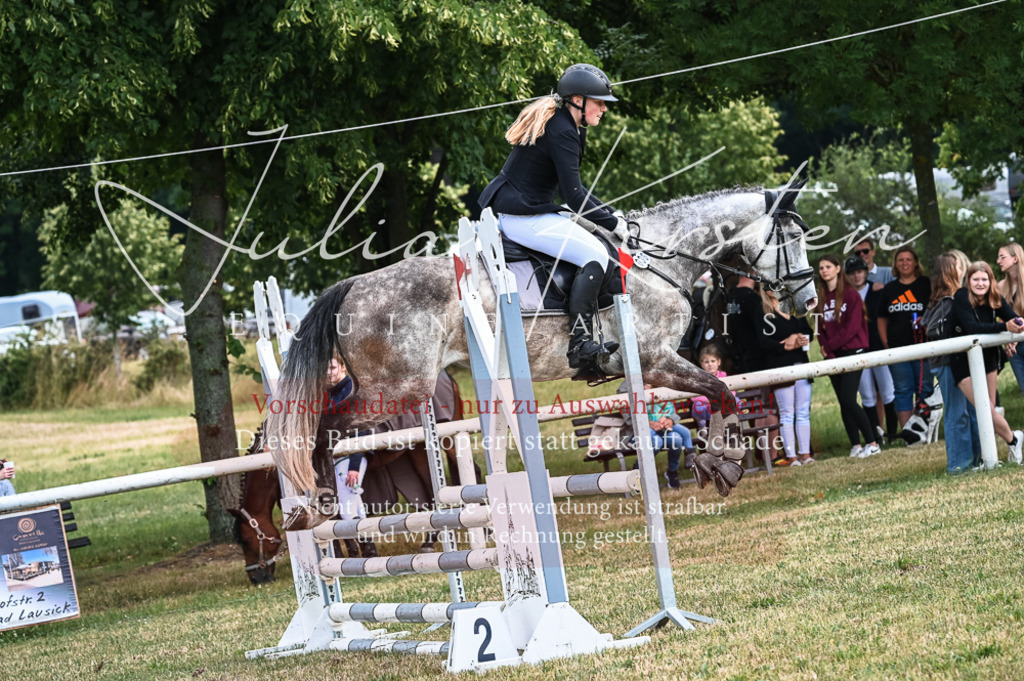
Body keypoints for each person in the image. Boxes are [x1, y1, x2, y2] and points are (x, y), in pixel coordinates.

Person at [478, 63, 623, 371]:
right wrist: (614, 224)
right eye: (599, 102)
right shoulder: (562, 131)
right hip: (521, 216)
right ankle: (580, 345)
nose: (604, 109)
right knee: (595, 255)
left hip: (522, 210)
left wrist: (610, 215)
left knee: (593, 245)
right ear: (578, 100)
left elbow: (578, 191)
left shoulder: (565, 125)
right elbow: (574, 197)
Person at [949, 261, 1024, 464]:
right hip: (961, 360)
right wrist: (1004, 326)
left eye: (984, 279)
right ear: (968, 280)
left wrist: (1016, 329)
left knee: (989, 410)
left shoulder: (995, 297)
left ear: (991, 281)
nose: (980, 283)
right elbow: (972, 327)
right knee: (984, 409)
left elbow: (1014, 319)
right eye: (976, 279)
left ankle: (986, 458)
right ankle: (1014, 439)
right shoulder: (961, 297)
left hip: (989, 357)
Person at [817, 255, 882, 459]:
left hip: (853, 351)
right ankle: (855, 444)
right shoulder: (820, 297)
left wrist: (829, 347)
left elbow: (852, 328)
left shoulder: (851, 295)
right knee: (843, 401)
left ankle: (872, 442)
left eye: (828, 266)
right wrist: (827, 349)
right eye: (820, 268)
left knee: (849, 398)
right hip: (834, 355)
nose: (824, 270)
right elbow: (820, 328)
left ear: (837, 269)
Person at [926, 252, 981, 474]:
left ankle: (976, 459)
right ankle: (959, 465)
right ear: (951, 271)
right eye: (959, 266)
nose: (963, 268)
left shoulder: (946, 300)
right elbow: (934, 332)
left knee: (969, 411)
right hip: (948, 363)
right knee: (957, 412)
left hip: (956, 362)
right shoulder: (947, 302)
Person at [325, 357, 377, 558]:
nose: (329, 372)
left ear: (343, 367)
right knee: (354, 503)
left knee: (347, 506)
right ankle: (368, 550)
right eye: (326, 369)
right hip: (338, 457)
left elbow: (361, 428)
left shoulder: (351, 391)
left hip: (351, 457)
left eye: (332, 367)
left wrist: (354, 465)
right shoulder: (332, 394)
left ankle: (366, 549)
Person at [877, 246, 934, 431]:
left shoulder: (926, 285)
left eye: (908, 259)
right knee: (902, 390)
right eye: (900, 260)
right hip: (897, 348)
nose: (904, 263)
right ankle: (908, 432)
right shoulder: (890, 289)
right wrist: (886, 343)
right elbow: (881, 318)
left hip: (923, 346)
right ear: (895, 264)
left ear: (916, 262)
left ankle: (924, 429)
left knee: (924, 388)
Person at [845, 255, 898, 443]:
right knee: (867, 396)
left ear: (865, 272)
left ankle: (892, 434)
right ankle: (876, 435)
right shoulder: (845, 296)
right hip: (858, 350)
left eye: (859, 272)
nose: (856, 276)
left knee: (888, 391)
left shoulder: (877, 291)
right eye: (852, 273)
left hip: (878, 348)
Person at [759, 289, 814, 466]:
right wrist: (786, 346)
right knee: (787, 413)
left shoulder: (794, 308)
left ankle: (805, 454)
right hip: (780, 368)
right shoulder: (764, 313)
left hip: (802, 364)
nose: (775, 289)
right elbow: (763, 342)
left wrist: (801, 338)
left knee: (803, 412)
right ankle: (791, 456)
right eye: (771, 286)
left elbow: (808, 331)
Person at [644, 385, 696, 489]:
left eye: (648, 383)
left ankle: (679, 466)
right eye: (644, 383)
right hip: (648, 429)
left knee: (677, 439)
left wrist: (669, 420)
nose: (646, 385)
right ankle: (640, 471)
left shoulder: (662, 392)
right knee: (654, 442)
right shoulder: (637, 393)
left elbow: (671, 410)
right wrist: (650, 423)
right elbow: (634, 415)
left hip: (665, 427)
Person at [996, 242, 1024, 395]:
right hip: (1013, 348)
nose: (998, 261)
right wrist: (1007, 339)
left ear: (1015, 259)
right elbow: (1001, 319)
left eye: (1002, 257)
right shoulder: (1001, 286)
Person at [690, 345, 729, 430]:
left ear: (719, 362)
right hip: (706, 405)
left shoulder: (723, 376)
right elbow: (694, 396)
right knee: (697, 407)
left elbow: (731, 391)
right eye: (706, 362)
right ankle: (702, 424)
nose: (710, 364)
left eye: (713, 361)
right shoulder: (698, 378)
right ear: (702, 364)